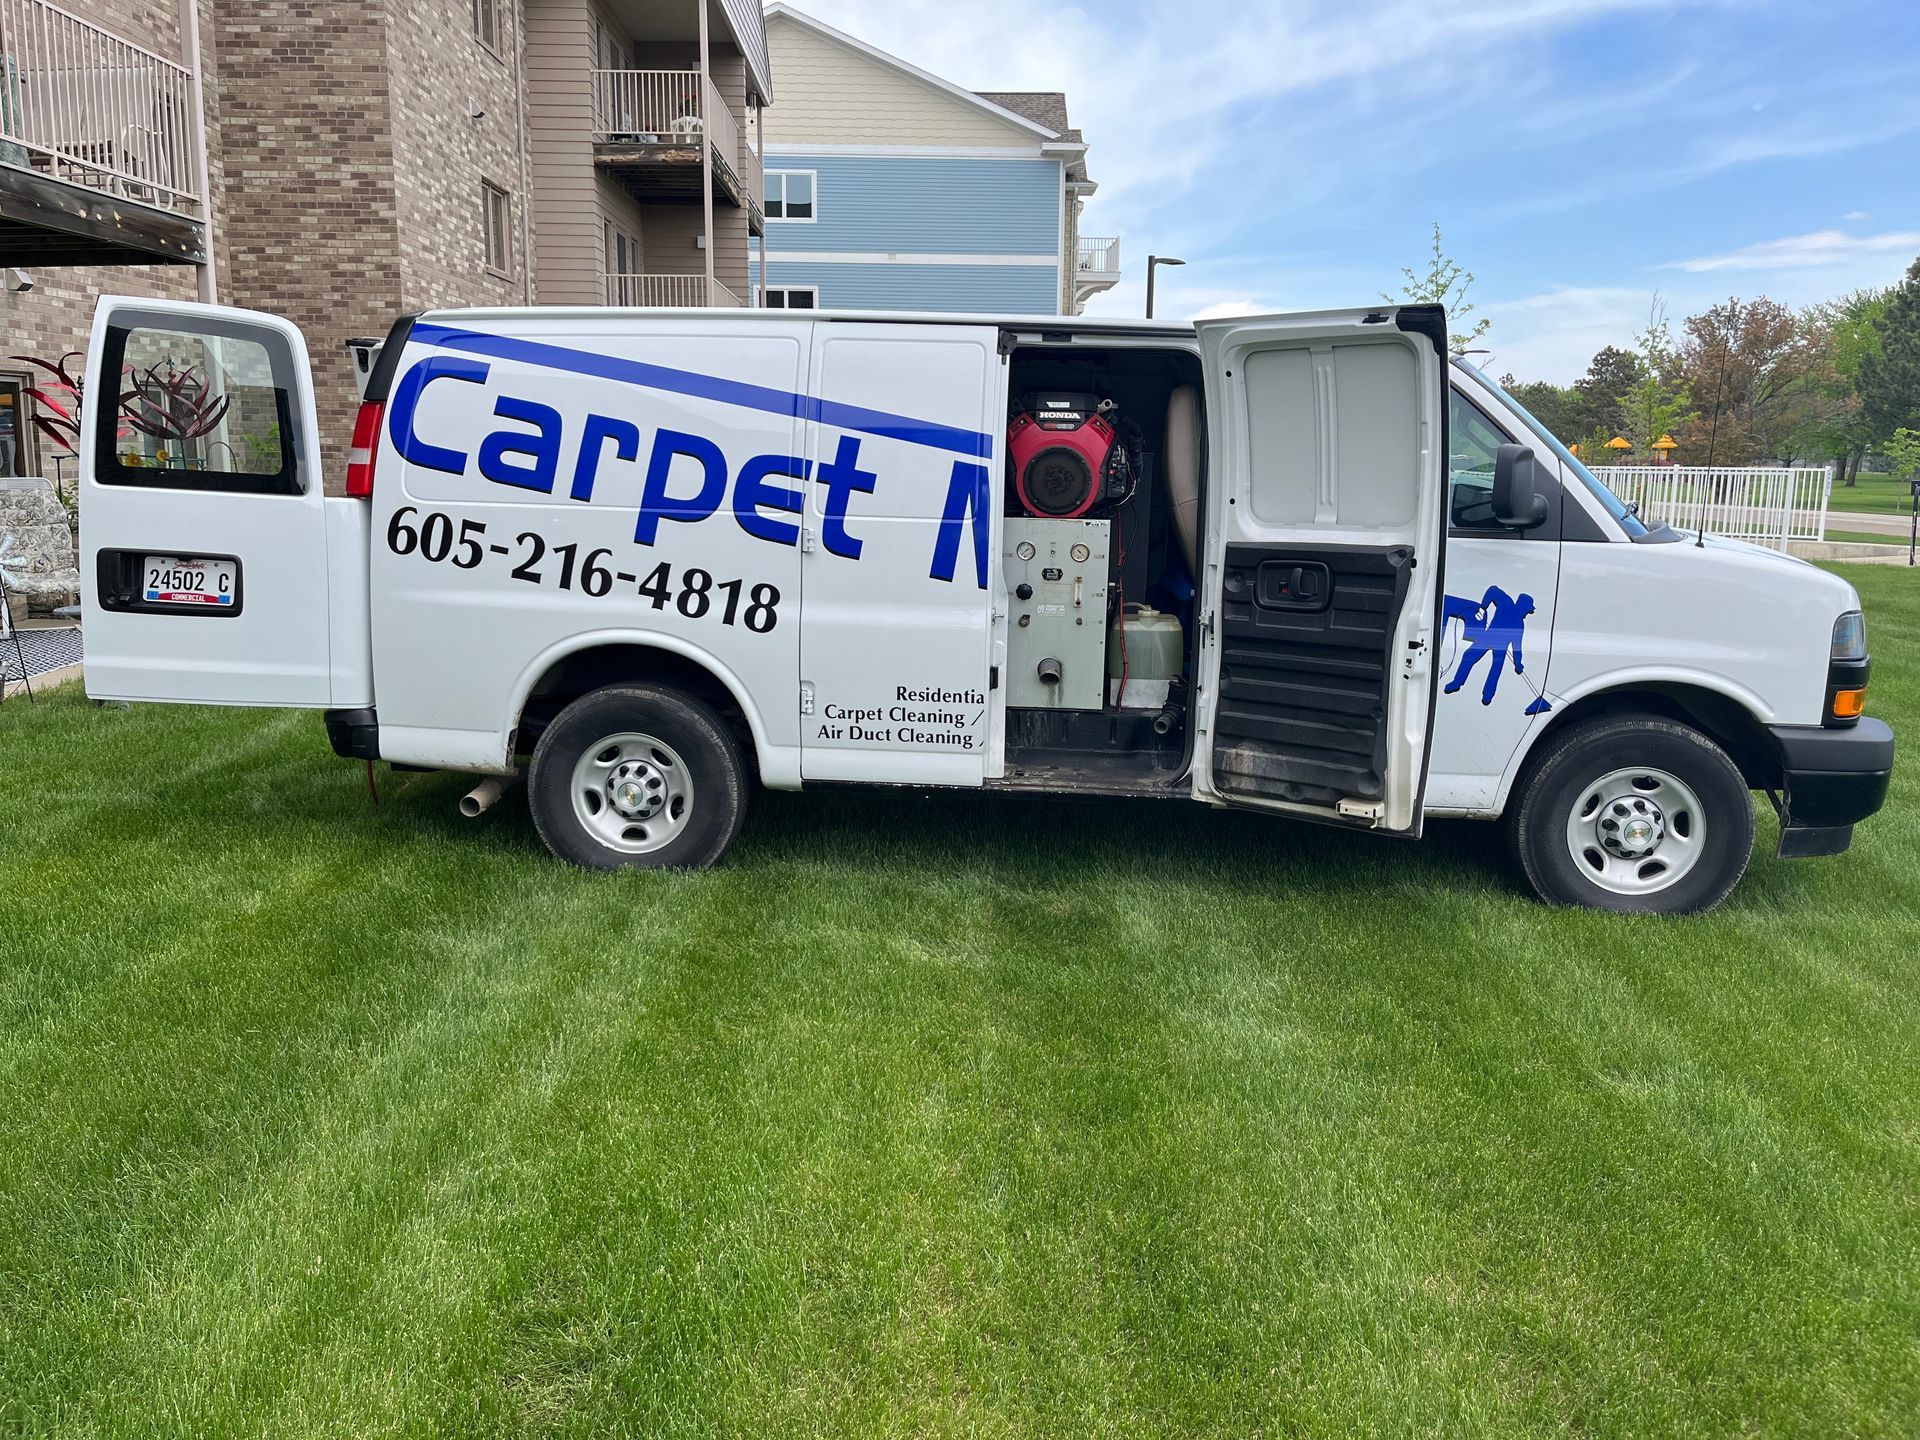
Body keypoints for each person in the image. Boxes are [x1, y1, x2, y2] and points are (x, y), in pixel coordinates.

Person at [1443, 585, 1536, 706]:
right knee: (1469, 657)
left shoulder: (1519, 623)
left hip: (1498, 645)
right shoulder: (1507, 603)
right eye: (1527, 610)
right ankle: (1457, 683)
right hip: (1489, 637)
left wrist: (1518, 663)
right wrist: (1482, 608)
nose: (1527, 613)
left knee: (1495, 669)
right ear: (1522, 606)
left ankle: (1487, 695)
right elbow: (1493, 590)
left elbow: (1517, 647)